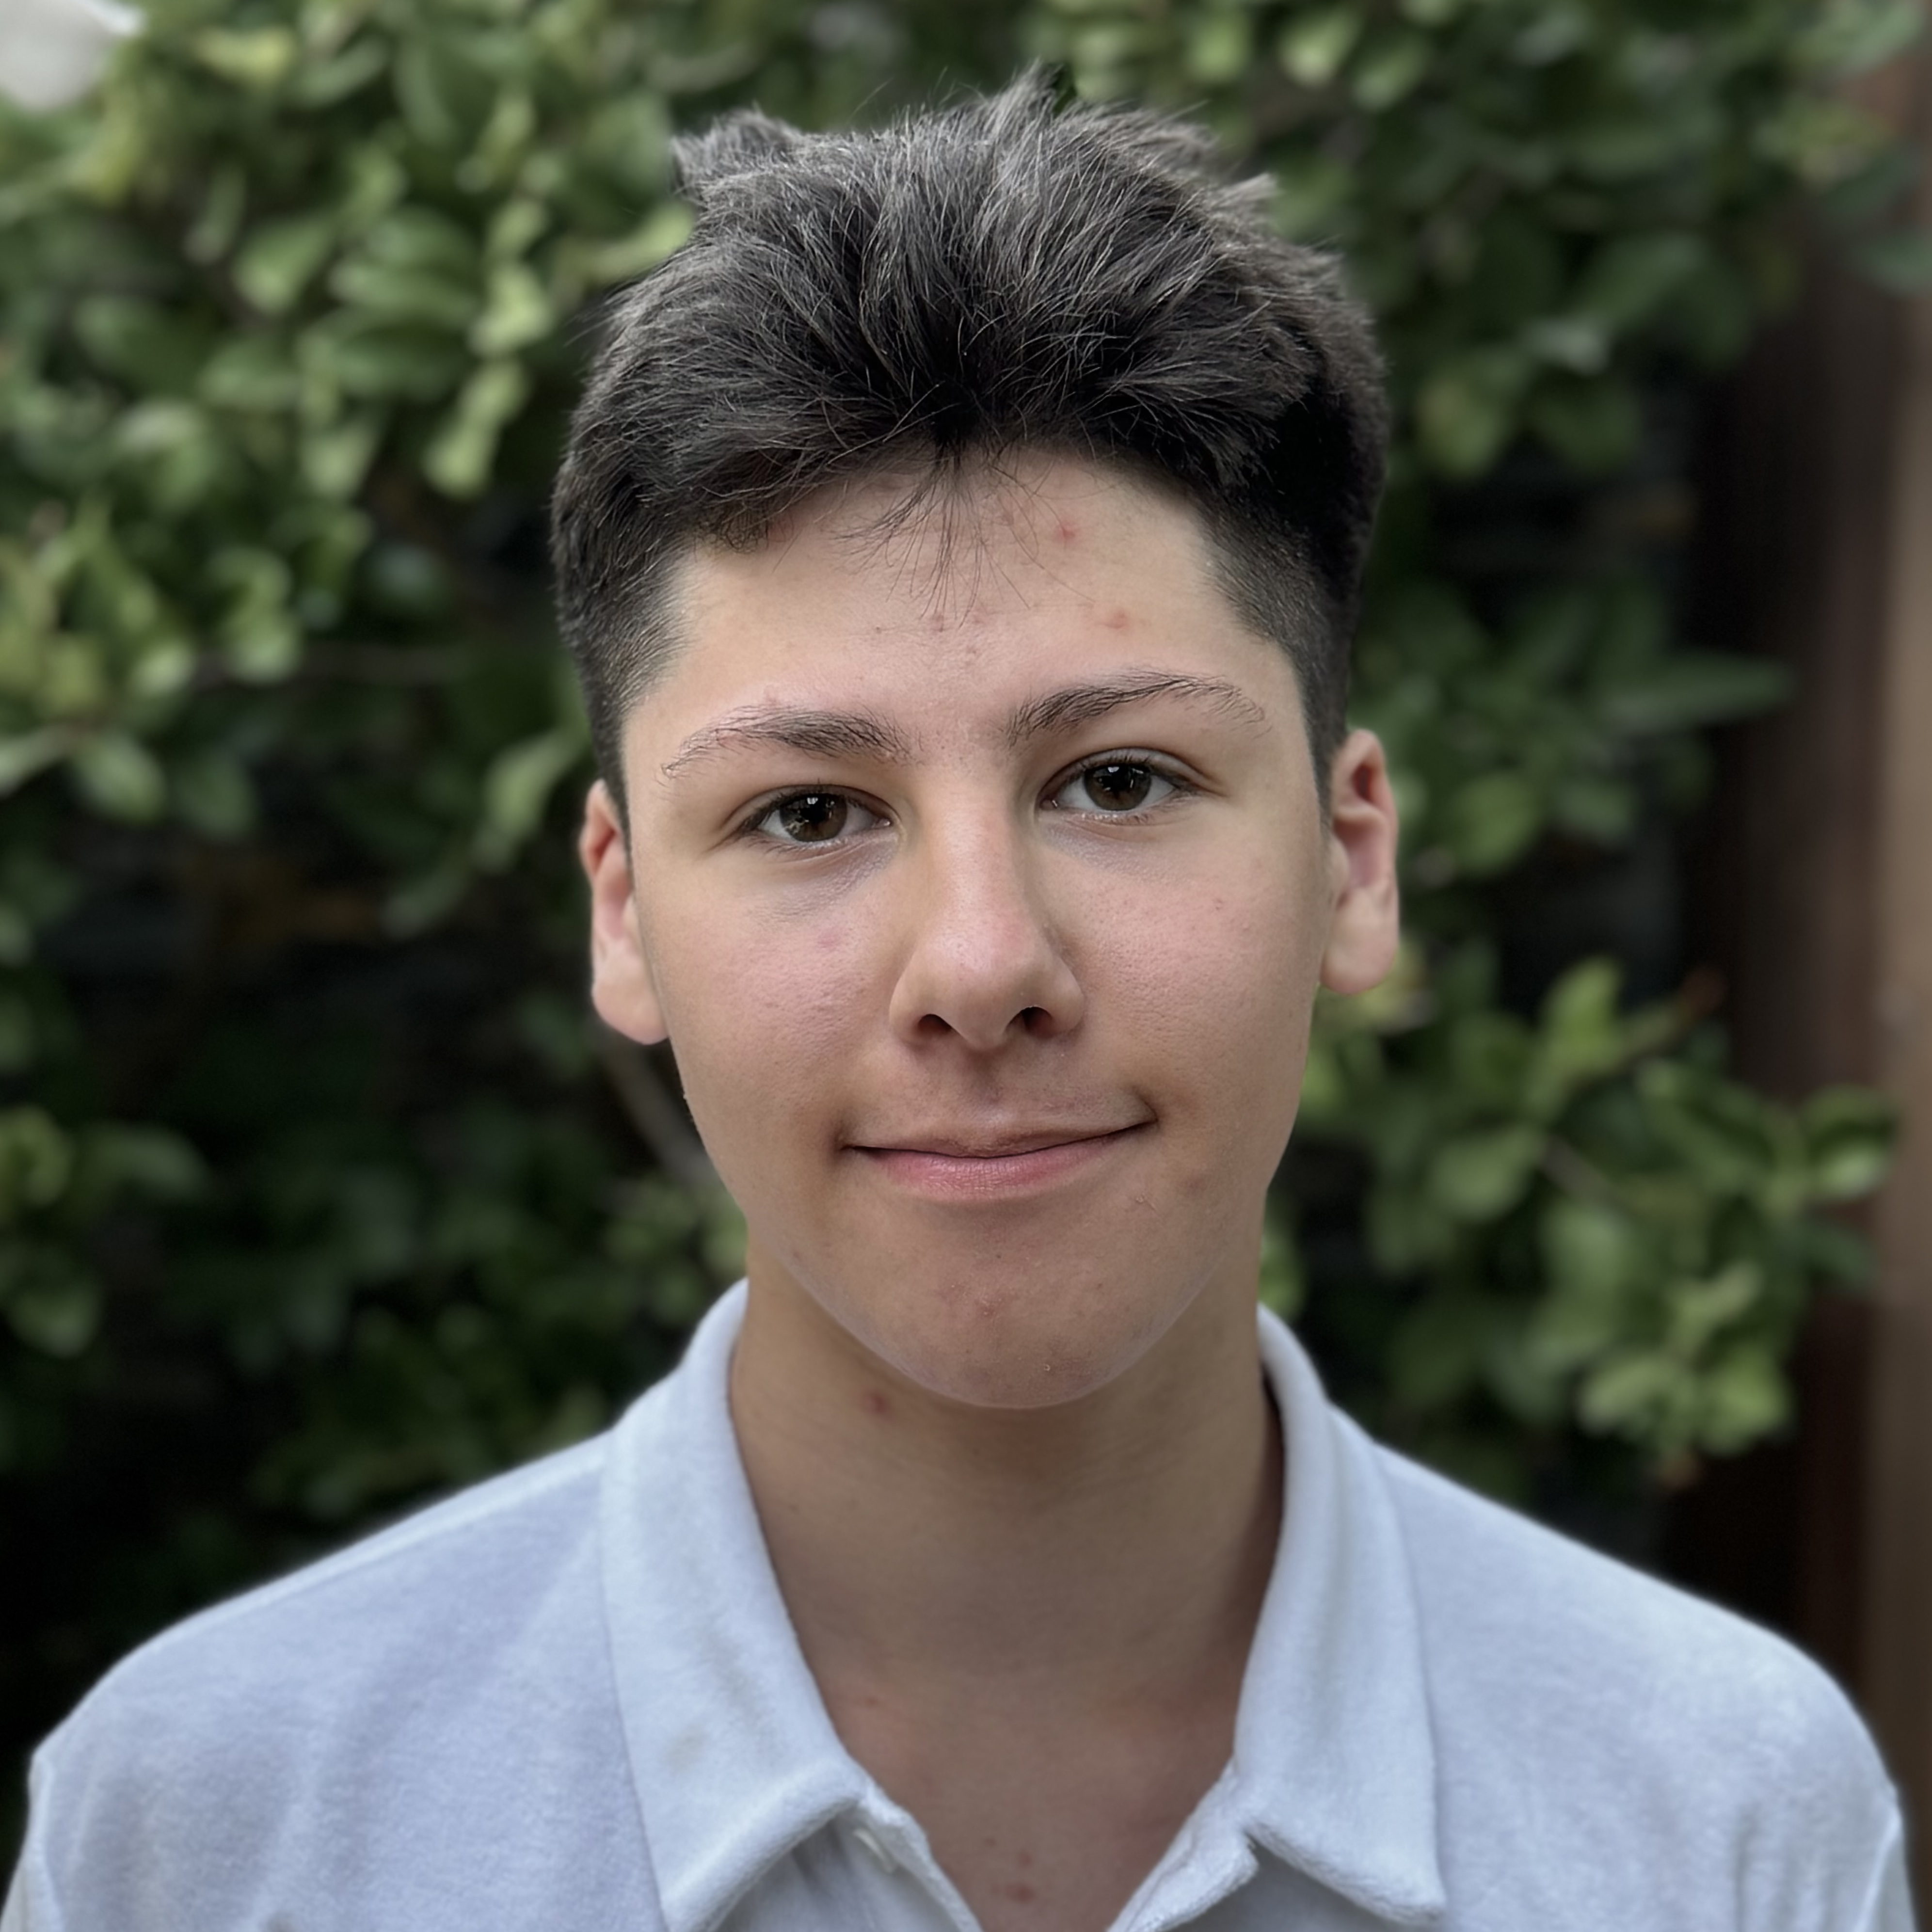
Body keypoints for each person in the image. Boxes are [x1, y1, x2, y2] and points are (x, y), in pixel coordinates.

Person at [3, 75, 1914, 1932]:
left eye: (1119, 780)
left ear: (1351, 860)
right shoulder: (220, 1827)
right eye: (808, 812)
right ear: (624, 908)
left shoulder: (1718, 1816)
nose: (984, 965)